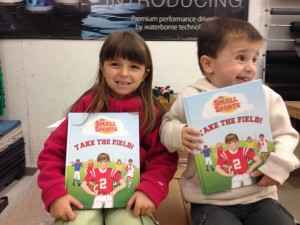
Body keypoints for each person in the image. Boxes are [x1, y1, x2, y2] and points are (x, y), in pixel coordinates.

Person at [159, 17, 299, 225]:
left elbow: (285, 134)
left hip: (260, 196)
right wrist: (178, 133)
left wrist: (277, 166)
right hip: (209, 201)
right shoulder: (191, 96)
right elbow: (166, 126)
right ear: (208, 64)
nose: (251, 67)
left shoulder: (265, 95)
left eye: (254, 59)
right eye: (241, 58)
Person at [37, 30, 179, 225]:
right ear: (102, 68)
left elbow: (163, 159)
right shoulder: (86, 107)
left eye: (134, 66)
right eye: (115, 64)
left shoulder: (152, 113)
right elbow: (53, 153)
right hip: (82, 200)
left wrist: (150, 190)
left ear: (145, 74)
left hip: (129, 201)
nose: (124, 73)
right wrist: (55, 194)